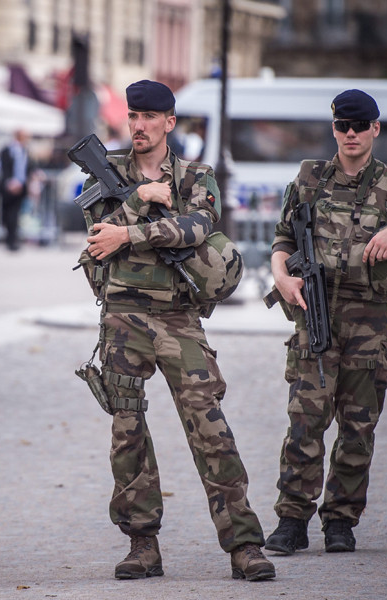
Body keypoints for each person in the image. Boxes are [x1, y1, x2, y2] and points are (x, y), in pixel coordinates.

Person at [78, 79, 275, 582]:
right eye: (133, 116)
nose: (139, 125)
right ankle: (142, 545)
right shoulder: (104, 174)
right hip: (123, 318)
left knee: (210, 429)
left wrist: (133, 232)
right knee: (127, 434)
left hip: (179, 320)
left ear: (169, 121)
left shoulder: (196, 175)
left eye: (149, 117)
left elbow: (197, 228)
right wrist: (139, 202)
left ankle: (244, 545)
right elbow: (99, 237)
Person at [263, 89, 387, 555]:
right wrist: (281, 278)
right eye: (342, 126)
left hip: (369, 321)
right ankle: (292, 520)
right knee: (305, 422)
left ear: (375, 128)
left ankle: (340, 522)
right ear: (334, 129)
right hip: (314, 313)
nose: (350, 134)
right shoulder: (310, 177)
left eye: (359, 126)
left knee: (358, 427)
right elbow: (284, 237)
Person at [0, 129, 34, 251]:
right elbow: (4, 168)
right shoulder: (8, 150)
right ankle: (9, 239)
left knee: (15, 214)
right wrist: (10, 183)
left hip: (21, 187)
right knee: (7, 214)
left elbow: (28, 167)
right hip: (8, 187)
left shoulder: (24, 150)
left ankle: (13, 239)